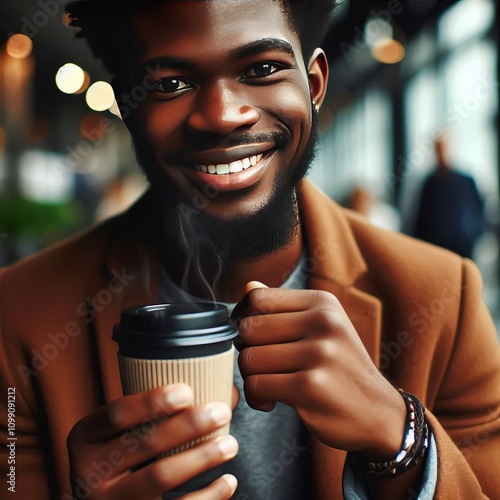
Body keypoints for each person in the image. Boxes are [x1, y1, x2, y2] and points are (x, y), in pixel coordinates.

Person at [0, 1, 499, 499]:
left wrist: (401, 438)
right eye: (170, 82)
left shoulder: (442, 298)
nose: (222, 116)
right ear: (129, 109)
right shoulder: (18, 316)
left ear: (316, 84)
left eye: (262, 69)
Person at [413, 135, 485, 259]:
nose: (442, 153)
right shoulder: (430, 183)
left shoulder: (466, 180)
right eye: (439, 149)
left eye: (444, 148)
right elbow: (422, 216)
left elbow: (478, 208)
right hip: (437, 247)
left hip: (463, 244)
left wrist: (474, 234)